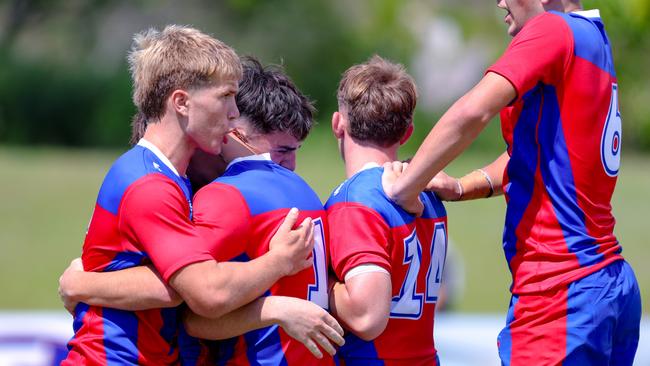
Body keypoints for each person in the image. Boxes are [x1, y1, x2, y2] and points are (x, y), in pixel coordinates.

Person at [382, 1, 641, 365]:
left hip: (559, 291)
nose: (500, 1)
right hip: (607, 283)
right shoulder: (592, 38)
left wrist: (406, 183)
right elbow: (537, 153)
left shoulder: (554, 29)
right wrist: (461, 186)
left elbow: (475, 110)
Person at [62, 26, 335, 365]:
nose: (235, 113)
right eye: (225, 97)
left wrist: (83, 285)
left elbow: (179, 287)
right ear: (181, 102)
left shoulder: (175, 176)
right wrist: (277, 262)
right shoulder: (151, 185)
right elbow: (206, 292)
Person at [326, 55, 448, 365]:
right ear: (407, 134)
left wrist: (315, 282)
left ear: (338, 124)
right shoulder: (428, 193)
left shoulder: (356, 200)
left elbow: (367, 317)